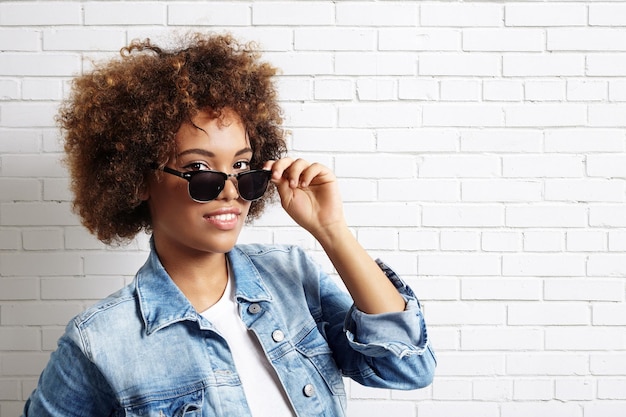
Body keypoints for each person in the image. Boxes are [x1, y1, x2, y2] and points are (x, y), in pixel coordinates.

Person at [22, 32, 436, 417]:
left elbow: (406, 367)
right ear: (139, 178)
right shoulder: (101, 340)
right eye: (200, 168)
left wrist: (332, 231)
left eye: (241, 165)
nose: (230, 190)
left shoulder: (291, 275)